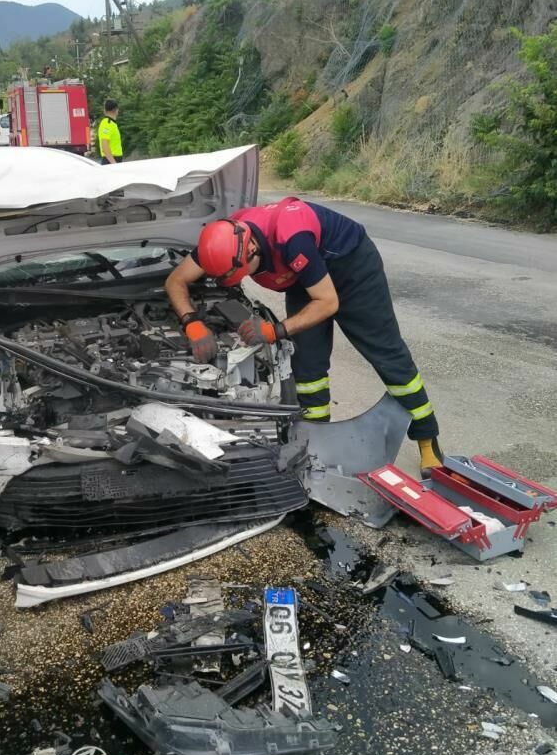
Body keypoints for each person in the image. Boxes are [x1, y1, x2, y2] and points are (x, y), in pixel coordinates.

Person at [164, 196, 443, 477]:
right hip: (300, 279)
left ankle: (427, 439)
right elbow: (176, 280)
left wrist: (276, 331)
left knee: (386, 354)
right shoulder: (221, 242)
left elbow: (328, 302)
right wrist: (192, 322)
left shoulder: (291, 238)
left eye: (234, 276)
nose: (233, 282)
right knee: (307, 367)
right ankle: (316, 441)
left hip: (351, 268)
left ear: (251, 248)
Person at [97, 99, 122, 164]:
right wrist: (113, 163)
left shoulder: (112, 123)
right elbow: (104, 144)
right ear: (116, 110)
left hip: (113, 159)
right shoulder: (107, 123)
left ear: (105, 110)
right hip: (110, 160)